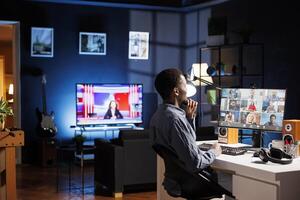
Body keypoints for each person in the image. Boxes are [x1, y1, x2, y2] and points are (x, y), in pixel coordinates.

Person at [150, 68, 222, 174]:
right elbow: (195, 163)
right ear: (176, 91)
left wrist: (189, 118)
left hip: (176, 180)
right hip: (192, 182)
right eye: (184, 85)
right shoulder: (176, 120)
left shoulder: (158, 115)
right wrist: (214, 152)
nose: (187, 91)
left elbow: (188, 144)